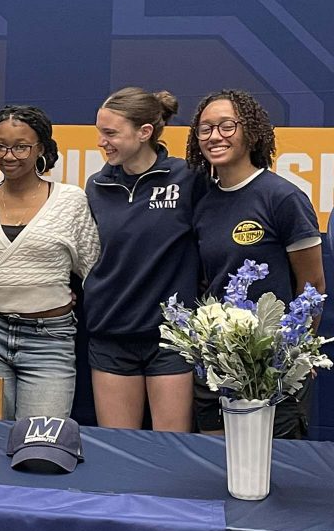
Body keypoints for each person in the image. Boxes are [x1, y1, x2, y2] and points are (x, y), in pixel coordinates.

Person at [186, 89, 324, 438]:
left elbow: (313, 286)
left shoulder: (283, 197)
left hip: (272, 371)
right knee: (214, 472)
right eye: (205, 129)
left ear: (251, 130)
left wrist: (296, 353)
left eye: (227, 126)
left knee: (270, 477)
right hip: (217, 367)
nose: (215, 136)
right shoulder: (203, 202)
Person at [0, 104, 100, 420]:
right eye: (0, 145)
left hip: (49, 341)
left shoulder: (70, 199)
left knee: (42, 444)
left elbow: (92, 269)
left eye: (21, 147)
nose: (8, 156)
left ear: (41, 147)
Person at [85, 87, 205, 431]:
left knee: (170, 450)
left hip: (170, 338)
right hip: (111, 333)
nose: (101, 142)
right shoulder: (97, 185)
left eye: (110, 133)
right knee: (120, 451)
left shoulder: (187, 178)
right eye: (99, 132)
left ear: (145, 132)